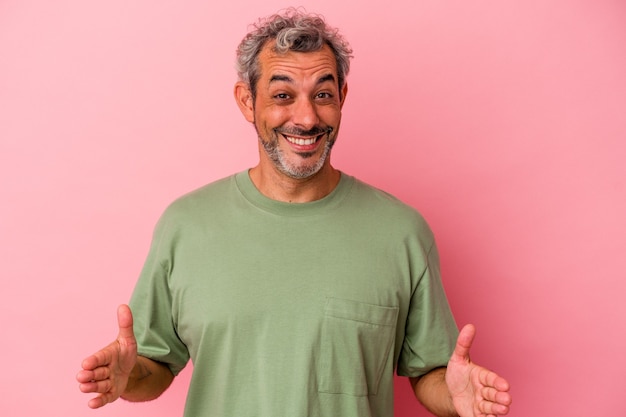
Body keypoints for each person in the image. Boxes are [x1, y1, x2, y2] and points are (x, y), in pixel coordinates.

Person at [76, 8, 512, 417]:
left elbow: (428, 371)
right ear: (247, 102)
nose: (306, 118)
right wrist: (127, 375)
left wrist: (455, 395)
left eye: (322, 94)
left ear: (341, 97)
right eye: (283, 94)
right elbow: (154, 368)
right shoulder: (185, 226)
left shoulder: (402, 232)